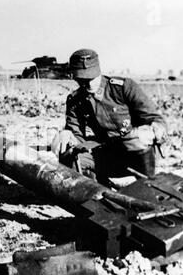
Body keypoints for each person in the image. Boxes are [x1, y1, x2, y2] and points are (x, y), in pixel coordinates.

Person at [51, 49, 167, 185]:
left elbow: (155, 119)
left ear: (98, 72)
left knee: (137, 138)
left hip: (135, 154)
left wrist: (152, 131)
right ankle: (95, 190)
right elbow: (77, 135)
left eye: (91, 78)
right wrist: (67, 135)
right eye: (82, 79)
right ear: (75, 77)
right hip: (106, 154)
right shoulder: (75, 100)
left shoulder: (123, 88)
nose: (87, 84)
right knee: (68, 153)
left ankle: (149, 184)